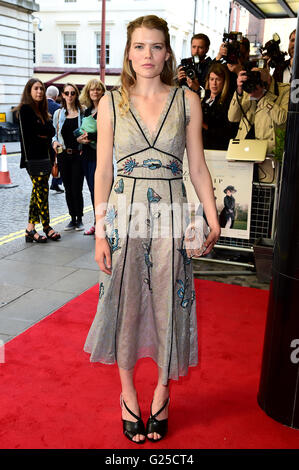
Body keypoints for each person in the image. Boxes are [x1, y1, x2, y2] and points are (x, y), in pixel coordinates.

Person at [83, 15, 220, 444]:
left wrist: (212, 215)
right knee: (124, 304)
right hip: (124, 216)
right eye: (139, 46)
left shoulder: (187, 101)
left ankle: (161, 393)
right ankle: (127, 395)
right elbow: (102, 171)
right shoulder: (110, 102)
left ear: (167, 53)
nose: (147, 55)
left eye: (156, 46)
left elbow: (196, 164)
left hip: (172, 217)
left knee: (169, 303)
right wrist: (101, 229)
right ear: (127, 52)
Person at [17, 78, 61, 242]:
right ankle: (47, 226)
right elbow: (31, 137)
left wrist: (42, 133)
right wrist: (43, 133)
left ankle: (30, 229)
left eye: (41, 89)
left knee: (38, 193)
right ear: (29, 91)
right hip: (33, 160)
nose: (39, 92)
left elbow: (49, 131)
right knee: (41, 192)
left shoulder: (42, 111)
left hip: (46, 158)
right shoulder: (25, 110)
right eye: (36, 89)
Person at [228, 66, 290, 154]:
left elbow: (283, 119)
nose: (253, 83)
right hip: (243, 148)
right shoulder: (247, 89)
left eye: (256, 79)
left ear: (268, 81)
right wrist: (239, 91)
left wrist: (261, 97)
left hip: (267, 151)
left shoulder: (285, 90)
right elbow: (233, 118)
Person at [52, 83, 85, 231]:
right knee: (67, 188)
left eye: (73, 93)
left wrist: (84, 140)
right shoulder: (58, 114)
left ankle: (80, 219)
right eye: (67, 93)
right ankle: (72, 218)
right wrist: (54, 142)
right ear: (62, 95)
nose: (70, 96)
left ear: (76, 95)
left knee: (77, 187)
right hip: (63, 155)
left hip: (78, 155)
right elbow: (54, 133)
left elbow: (88, 131)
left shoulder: (82, 113)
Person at [77, 79, 106, 236]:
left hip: (101, 156)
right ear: (88, 92)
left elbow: (109, 131)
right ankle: (97, 223)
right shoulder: (87, 111)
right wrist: (80, 139)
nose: (95, 92)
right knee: (92, 191)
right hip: (86, 155)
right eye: (92, 90)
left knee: (100, 192)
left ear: (102, 91)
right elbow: (81, 130)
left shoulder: (106, 109)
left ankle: (102, 224)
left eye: (98, 89)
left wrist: (91, 135)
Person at [201, 62, 238, 150]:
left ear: (224, 81)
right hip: (200, 146)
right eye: (212, 79)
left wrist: (201, 124)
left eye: (218, 79)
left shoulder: (228, 101)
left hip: (217, 147)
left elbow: (224, 131)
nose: (214, 83)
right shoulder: (203, 97)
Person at [46, 85, 64, 194]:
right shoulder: (58, 108)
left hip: (42, 141)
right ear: (56, 96)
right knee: (57, 162)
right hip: (55, 140)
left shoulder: (39, 106)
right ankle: (55, 182)